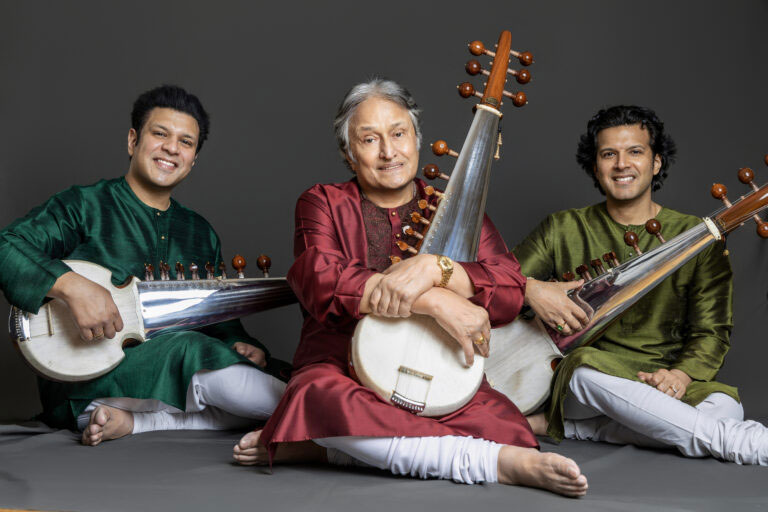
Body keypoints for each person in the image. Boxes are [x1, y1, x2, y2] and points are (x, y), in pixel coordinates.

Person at [232, 78, 589, 497]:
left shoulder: (453, 210)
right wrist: (436, 300)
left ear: (417, 139)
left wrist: (435, 267)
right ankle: (496, 465)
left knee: (498, 420)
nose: (389, 152)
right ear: (349, 155)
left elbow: (510, 285)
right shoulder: (323, 201)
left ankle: (329, 449)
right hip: (339, 363)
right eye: (369, 139)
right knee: (319, 398)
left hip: (440, 365)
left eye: (399, 134)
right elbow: (319, 279)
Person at [0, 85, 287, 446]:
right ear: (133, 140)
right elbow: (6, 246)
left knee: (273, 369)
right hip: (83, 379)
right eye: (161, 134)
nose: (172, 148)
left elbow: (221, 322)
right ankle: (327, 420)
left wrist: (242, 343)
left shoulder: (200, 233)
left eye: (186, 142)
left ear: (194, 158)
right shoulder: (84, 206)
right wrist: (70, 285)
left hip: (175, 375)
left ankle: (137, 423)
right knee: (190, 351)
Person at [516, 105, 768, 464]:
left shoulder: (696, 236)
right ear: (595, 165)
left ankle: (582, 429)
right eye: (608, 154)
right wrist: (532, 288)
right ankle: (743, 444)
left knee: (725, 406)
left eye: (635, 151)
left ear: (656, 163)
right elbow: (498, 278)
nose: (622, 164)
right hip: (595, 382)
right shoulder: (561, 228)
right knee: (581, 372)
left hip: (666, 381)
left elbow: (712, 332)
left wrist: (680, 376)